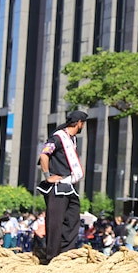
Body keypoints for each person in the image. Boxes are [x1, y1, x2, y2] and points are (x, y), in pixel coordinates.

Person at [38, 110, 88, 264]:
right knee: (55, 223)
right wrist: (48, 176)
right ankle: (51, 258)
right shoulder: (58, 137)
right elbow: (44, 155)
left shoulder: (71, 139)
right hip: (57, 187)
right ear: (79, 123)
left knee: (72, 220)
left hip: (68, 186)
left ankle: (65, 255)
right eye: (83, 123)